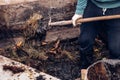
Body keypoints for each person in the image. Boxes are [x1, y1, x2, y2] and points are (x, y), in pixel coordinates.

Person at [72, 0, 120, 69]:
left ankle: (114, 70)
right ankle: (85, 67)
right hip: (94, 5)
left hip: (117, 7)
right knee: (85, 40)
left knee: (116, 50)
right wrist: (79, 12)